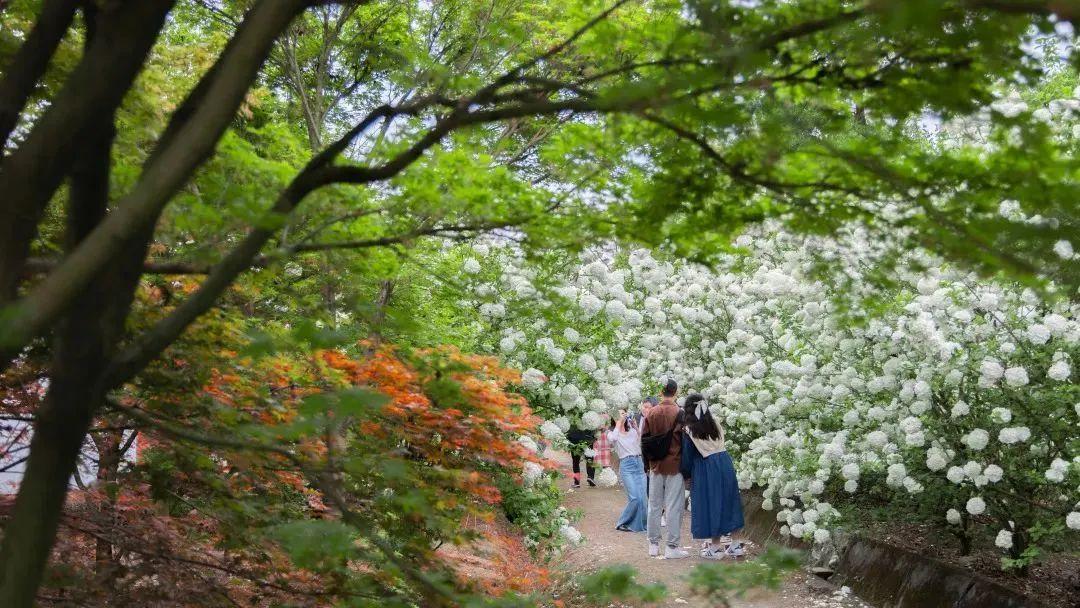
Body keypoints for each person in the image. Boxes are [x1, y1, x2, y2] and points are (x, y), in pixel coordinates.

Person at [680, 393, 746, 559]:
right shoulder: (715, 422)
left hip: (706, 468)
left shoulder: (689, 429)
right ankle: (736, 545)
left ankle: (715, 548)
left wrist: (685, 474)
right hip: (725, 462)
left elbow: (687, 457)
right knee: (730, 502)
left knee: (712, 504)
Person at [641, 378, 689, 558]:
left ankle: (653, 545)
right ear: (676, 392)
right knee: (674, 506)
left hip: (655, 465)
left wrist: (647, 465)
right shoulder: (680, 413)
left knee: (654, 505)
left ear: (660, 392)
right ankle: (672, 547)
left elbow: (644, 440)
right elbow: (686, 442)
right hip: (675, 465)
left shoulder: (651, 413)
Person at [607, 410, 647, 532]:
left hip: (638, 463)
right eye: (620, 414)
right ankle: (622, 522)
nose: (623, 415)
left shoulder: (632, 431)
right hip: (626, 465)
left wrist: (636, 427)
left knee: (642, 498)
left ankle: (639, 525)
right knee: (634, 498)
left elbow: (642, 441)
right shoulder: (612, 432)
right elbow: (613, 439)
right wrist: (619, 422)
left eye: (624, 413)